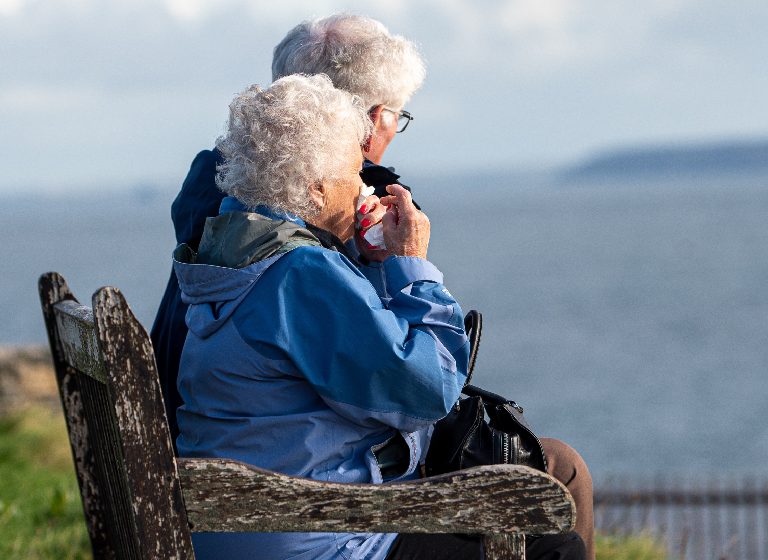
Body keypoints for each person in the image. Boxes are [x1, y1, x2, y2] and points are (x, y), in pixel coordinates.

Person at [173, 74, 586, 560]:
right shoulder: (300, 274)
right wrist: (410, 263)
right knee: (554, 548)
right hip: (312, 535)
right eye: (355, 171)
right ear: (317, 186)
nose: (365, 185)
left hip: (241, 525)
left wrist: (363, 259)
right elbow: (428, 390)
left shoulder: (234, 248)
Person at [151, 15, 425, 451]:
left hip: (184, 432)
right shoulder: (344, 215)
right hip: (278, 469)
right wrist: (410, 266)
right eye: (398, 114)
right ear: (371, 121)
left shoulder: (218, 189)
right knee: (553, 467)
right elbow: (410, 387)